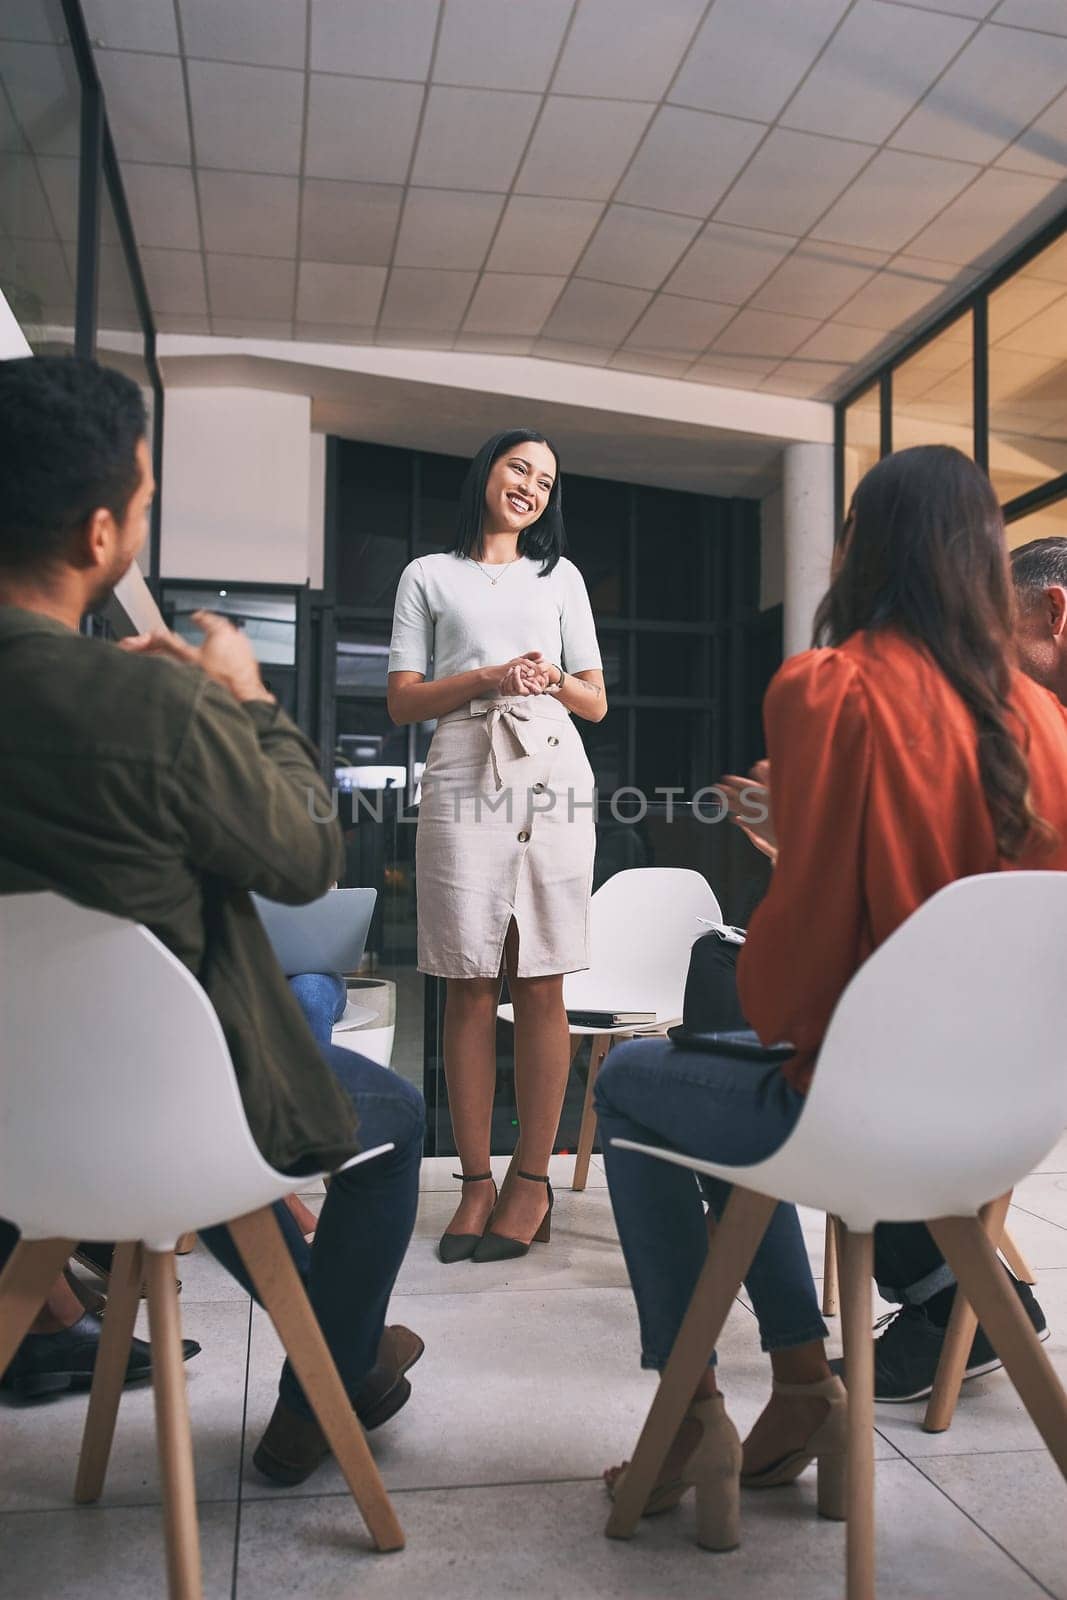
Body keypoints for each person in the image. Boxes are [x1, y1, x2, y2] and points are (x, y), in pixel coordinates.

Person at [595, 445, 1067, 1547]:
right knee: (716, 1091)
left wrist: (791, 852)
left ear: (859, 546)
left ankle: (697, 1408)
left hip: (856, 1119)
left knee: (636, 1081)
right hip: (995, 1135)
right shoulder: (1050, 730)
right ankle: (801, 1377)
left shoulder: (829, 685)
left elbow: (783, 995)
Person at [0, 355, 424, 1483]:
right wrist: (244, 696)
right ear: (100, 535)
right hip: (159, 1112)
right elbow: (305, 860)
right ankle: (325, 1392)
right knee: (385, 1123)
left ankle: (351, 1362)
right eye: (142, 502)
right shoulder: (152, 705)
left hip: (12, 1131)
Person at [388, 429, 606, 1262]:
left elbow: (595, 701)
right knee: (465, 979)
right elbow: (404, 701)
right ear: (485, 471)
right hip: (459, 765)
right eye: (520, 467)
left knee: (541, 975)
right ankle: (474, 1182)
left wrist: (548, 677)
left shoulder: (561, 578)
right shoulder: (426, 575)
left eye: (546, 480)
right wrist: (486, 676)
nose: (531, 486)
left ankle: (531, 1180)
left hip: (551, 765)